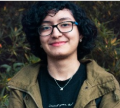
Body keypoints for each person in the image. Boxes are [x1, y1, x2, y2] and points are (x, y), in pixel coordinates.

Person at [8, 0, 120, 108]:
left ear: (80, 33)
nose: (56, 34)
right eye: (46, 27)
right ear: (38, 38)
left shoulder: (105, 84)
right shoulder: (21, 85)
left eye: (65, 24)